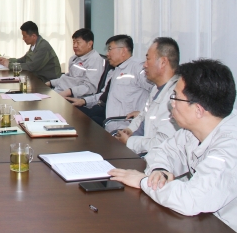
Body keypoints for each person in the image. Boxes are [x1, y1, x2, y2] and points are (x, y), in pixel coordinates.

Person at [109, 59, 237, 231]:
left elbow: (191, 200)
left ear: (198, 110)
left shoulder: (230, 148)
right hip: (203, 220)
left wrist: (143, 181)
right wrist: (159, 171)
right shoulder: (194, 129)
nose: (171, 104)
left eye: (175, 97)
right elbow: (163, 152)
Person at [65, 34, 152, 131]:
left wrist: (143, 114)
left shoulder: (138, 68)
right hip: (106, 115)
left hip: (122, 124)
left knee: (80, 125)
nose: (107, 54)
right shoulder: (115, 70)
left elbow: (157, 92)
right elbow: (105, 96)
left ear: (123, 51)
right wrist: (84, 101)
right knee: (71, 112)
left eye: (110, 49)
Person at [114, 37, 180, 154]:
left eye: (148, 59)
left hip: (148, 157)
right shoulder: (156, 89)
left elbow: (162, 143)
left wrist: (129, 141)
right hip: (136, 147)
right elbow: (143, 115)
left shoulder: (175, 98)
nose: (144, 65)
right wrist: (129, 130)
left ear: (163, 62)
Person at [45, 28, 104, 98]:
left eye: (78, 43)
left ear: (89, 44)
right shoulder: (74, 58)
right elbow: (69, 78)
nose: (75, 46)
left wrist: (69, 92)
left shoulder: (95, 61)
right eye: (74, 42)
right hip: (60, 91)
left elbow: (90, 87)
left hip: (73, 97)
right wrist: (50, 83)